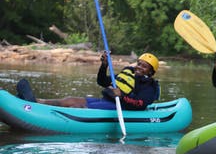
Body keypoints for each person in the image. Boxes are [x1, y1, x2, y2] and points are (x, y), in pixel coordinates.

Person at [16, 52, 160, 110]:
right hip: (109, 102)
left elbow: (140, 104)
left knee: (77, 105)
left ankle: (38, 108)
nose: (139, 67)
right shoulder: (129, 76)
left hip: (122, 109)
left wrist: (122, 96)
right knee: (71, 99)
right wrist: (104, 66)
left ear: (151, 71)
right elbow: (102, 82)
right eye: (139, 63)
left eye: (144, 66)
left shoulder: (149, 86)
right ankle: (37, 101)